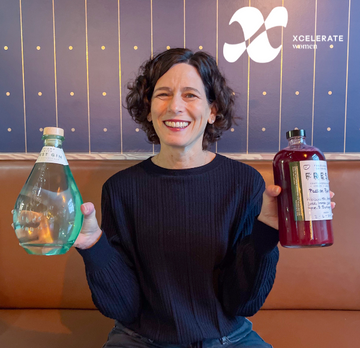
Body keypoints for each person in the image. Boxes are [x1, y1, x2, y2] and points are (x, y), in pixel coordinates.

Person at [74, 48, 333, 347]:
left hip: (229, 339)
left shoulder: (245, 183)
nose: (175, 107)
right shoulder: (120, 189)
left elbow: (242, 304)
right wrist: (94, 246)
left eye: (190, 95)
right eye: (163, 94)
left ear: (212, 111)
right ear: (148, 108)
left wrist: (266, 234)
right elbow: (124, 307)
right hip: (140, 340)